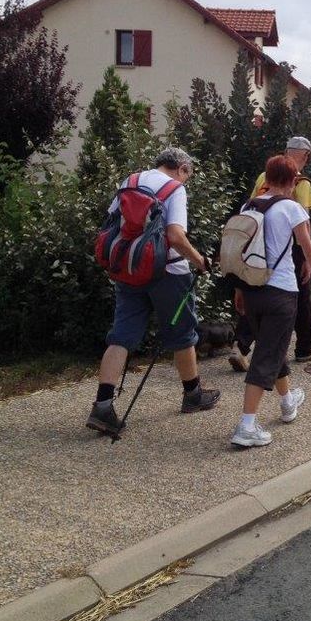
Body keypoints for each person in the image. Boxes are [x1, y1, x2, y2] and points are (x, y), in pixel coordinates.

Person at [87, 147, 221, 436]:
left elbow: (111, 224)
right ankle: (192, 395)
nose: (187, 181)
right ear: (182, 168)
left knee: (121, 335)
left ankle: (102, 406)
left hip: (128, 269)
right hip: (168, 272)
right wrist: (199, 260)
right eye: (189, 175)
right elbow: (175, 236)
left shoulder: (130, 182)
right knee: (182, 332)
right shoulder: (175, 189)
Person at [230, 155, 311, 447]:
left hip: (251, 289)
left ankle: (287, 402)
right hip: (280, 292)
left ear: (267, 178)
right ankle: (246, 426)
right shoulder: (292, 209)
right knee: (266, 355)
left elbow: (241, 252)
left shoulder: (248, 206)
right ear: (292, 180)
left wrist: (239, 291)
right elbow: (310, 253)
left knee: (272, 347)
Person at [230, 135, 311, 371]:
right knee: (299, 297)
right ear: (305, 156)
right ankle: (304, 348)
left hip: (256, 246)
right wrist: (307, 262)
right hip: (288, 246)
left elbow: (251, 208)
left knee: (255, 291)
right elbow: (304, 222)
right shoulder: (301, 182)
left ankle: (240, 345)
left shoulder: (265, 176)